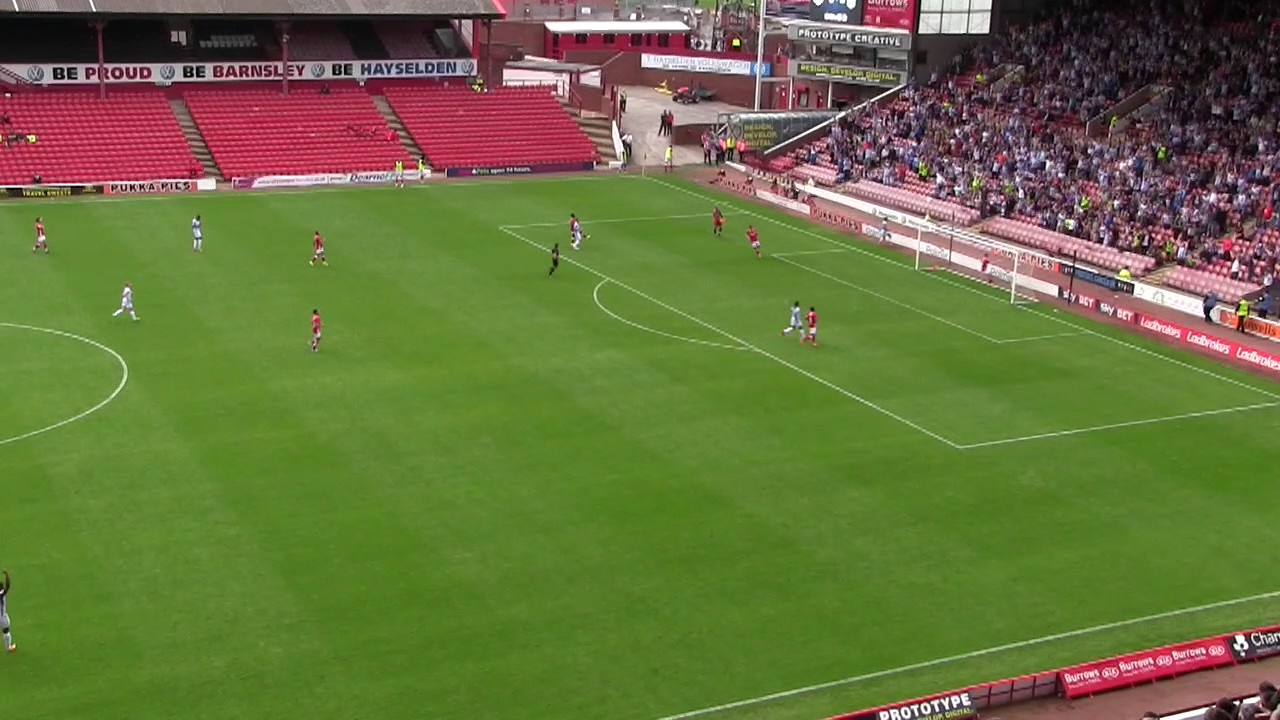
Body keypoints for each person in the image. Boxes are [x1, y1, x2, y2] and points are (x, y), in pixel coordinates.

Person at [0, 570, 12, 652]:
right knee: (6, 631)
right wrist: (7, 575)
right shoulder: (2, 594)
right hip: (2, 618)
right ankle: (8, 648)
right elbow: (8, 586)